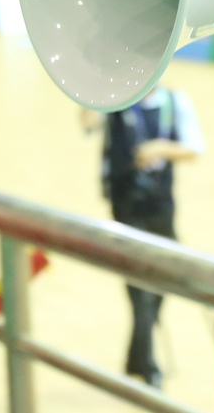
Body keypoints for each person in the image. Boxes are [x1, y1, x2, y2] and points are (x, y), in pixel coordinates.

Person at [83, 88, 205, 388]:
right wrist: (94, 86)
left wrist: (162, 148)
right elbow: (87, 122)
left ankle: (134, 359)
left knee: (166, 279)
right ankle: (149, 368)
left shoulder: (176, 102)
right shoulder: (114, 100)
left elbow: (194, 149)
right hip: (126, 206)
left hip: (161, 205)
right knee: (139, 289)